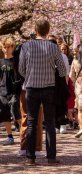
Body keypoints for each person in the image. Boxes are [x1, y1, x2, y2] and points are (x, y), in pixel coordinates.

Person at [19, 19, 66, 165]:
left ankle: (30, 157)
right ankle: (51, 156)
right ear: (48, 30)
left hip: (31, 87)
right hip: (49, 87)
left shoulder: (26, 46)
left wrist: (30, 74)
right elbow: (63, 70)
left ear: (35, 29)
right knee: (50, 122)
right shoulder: (53, 47)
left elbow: (21, 69)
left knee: (32, 122)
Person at [0, 37, 21, 145]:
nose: (7, 49)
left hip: (14, 92)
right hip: (3, 92)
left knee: (16, 113)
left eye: (9, 47)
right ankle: (10, 136)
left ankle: (24, 134)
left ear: (13, 47)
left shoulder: (16, 62)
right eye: (5, 47)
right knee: (5, 115)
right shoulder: (0, 62)